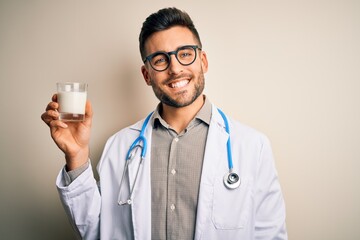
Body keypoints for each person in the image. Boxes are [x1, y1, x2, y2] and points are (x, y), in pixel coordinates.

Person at [41, 7, 287, 240]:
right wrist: (77, 155)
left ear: (203, 61)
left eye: (185, 54)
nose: (175, 68)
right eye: (160, 60)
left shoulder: (253, 146)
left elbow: (270, 235)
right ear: (147, 74)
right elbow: (96, 233)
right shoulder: (120, 146)